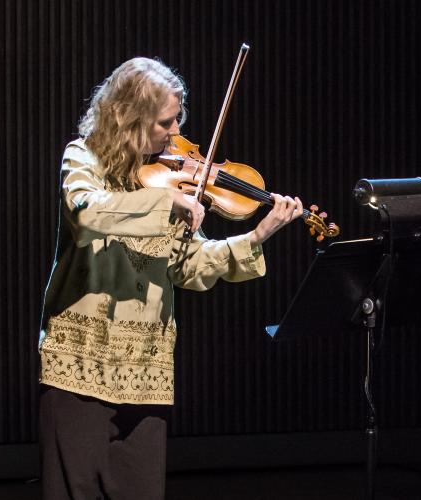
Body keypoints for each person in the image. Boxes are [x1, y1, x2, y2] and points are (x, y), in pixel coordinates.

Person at [38, 57, 303, 500]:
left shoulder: (174, 181)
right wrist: (163, 201)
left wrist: (258, 234)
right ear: (126, 116)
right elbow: (85, 214)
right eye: (165, 121)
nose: (176, 131)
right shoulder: (83, 157)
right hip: (78, 364)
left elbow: (189, 266)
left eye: (178, 118)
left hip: (146, 368)